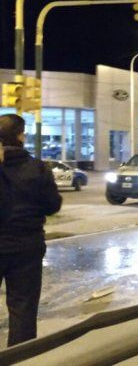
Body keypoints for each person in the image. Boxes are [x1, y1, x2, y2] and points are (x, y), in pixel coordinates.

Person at [0, 114, 62, 346]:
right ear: (20, 136)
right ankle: (20, 360)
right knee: (23, 310)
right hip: (27, 248)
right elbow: (52, 205)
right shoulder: (37, 168)